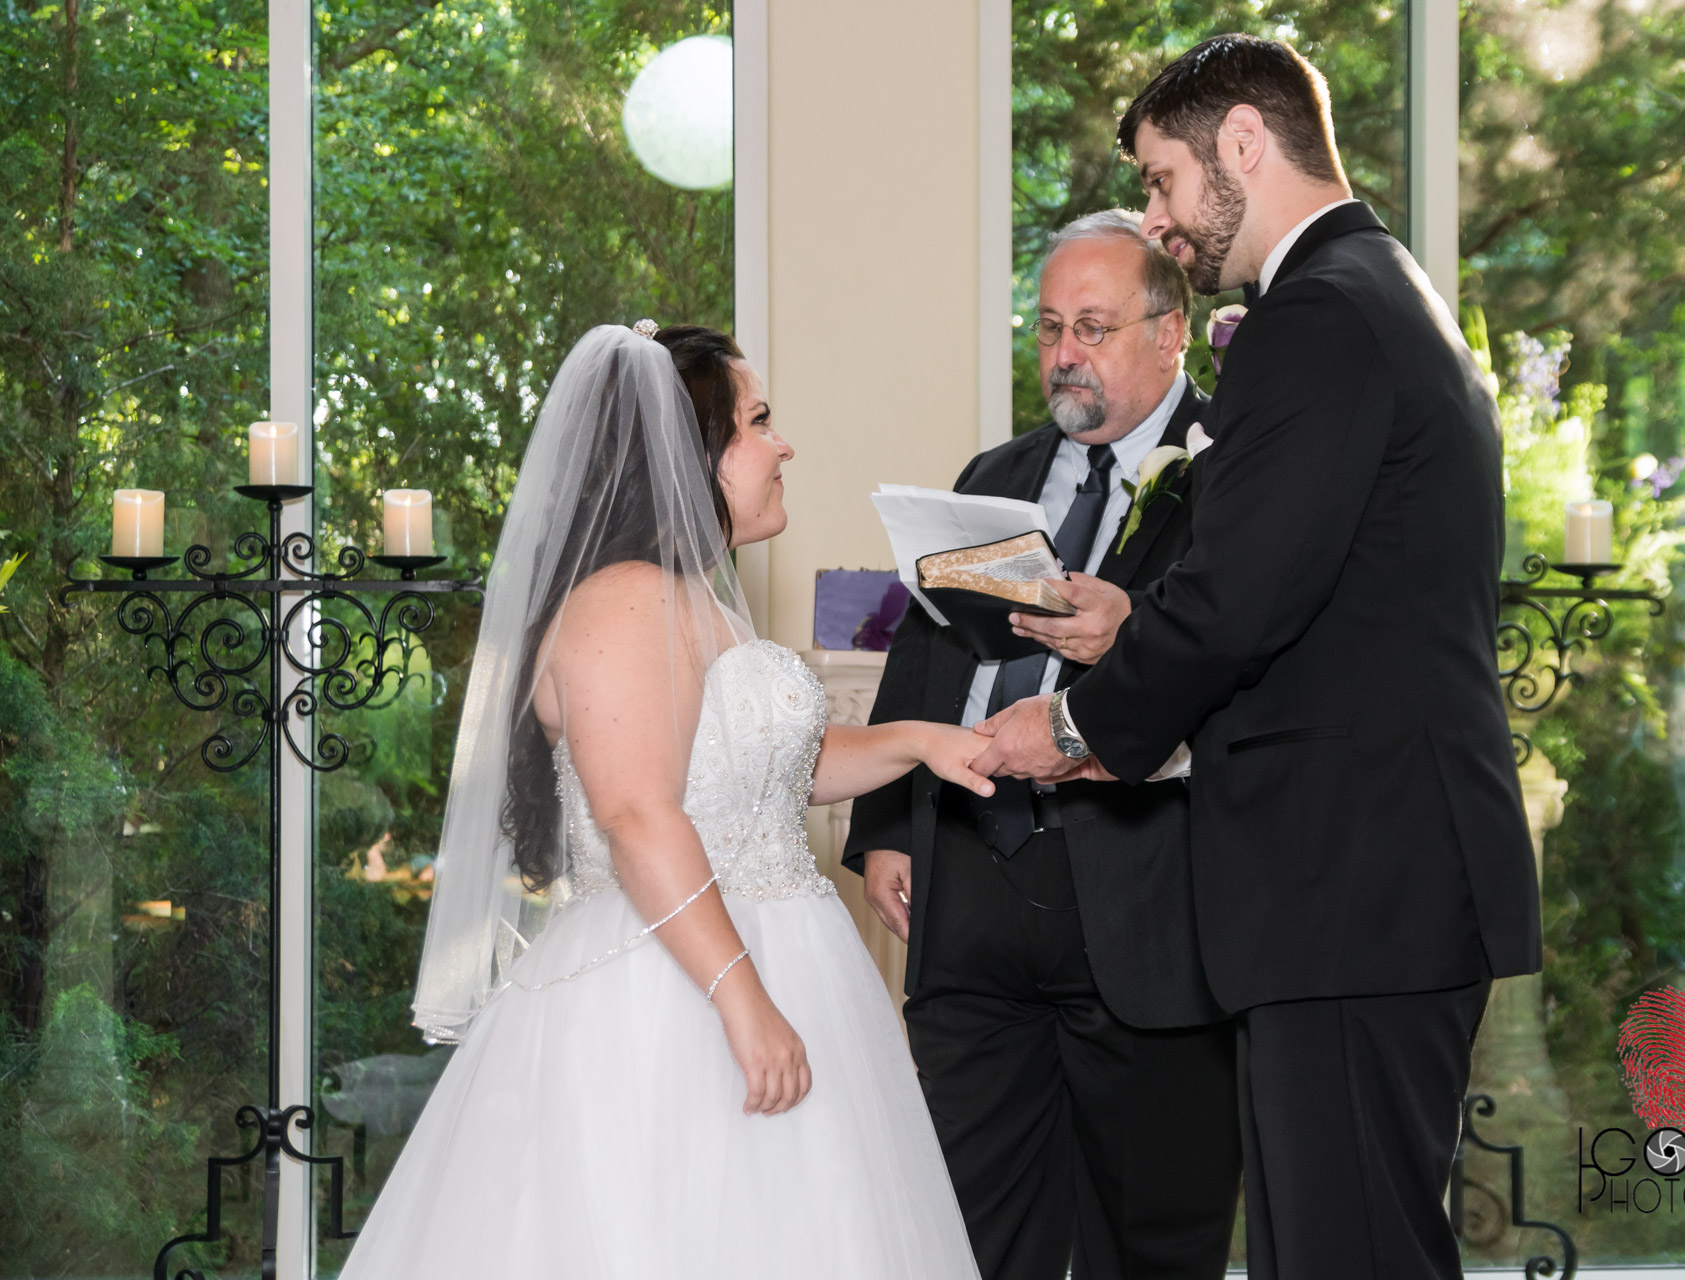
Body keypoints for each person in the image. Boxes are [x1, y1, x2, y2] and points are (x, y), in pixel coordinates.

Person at [971, 35, 1544, 1280]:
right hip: (1371, 881)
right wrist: (1145, 623)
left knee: (1348, 1254)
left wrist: (1072, 731)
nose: (1163, 221)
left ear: (1244, 140)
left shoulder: (1320, 314)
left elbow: (1237, 602)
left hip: (1352, 882)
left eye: (1167, 182)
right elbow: (1313, 582)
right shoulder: (1382, 292)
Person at [341, 323, 987, 1278]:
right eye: (760, 422)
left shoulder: (698, 599)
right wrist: (743, 999)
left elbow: (767, 772)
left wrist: (922, 742)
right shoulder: (623, 601)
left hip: (777, 952)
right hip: (669, 989)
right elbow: (640, 813)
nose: (784, 446)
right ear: (694, 454)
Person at [846, 210, 1240, 1280]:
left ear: (1170, 331)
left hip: (1144, 892)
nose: (1064, 352)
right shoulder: (996, 471)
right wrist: (888, 826)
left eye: (1094, 327)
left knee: (1148, 1231)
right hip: (969, 888)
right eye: (1050, 326)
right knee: (965, 1225)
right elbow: (926, 653)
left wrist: (1135, 630)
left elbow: (1241, 664)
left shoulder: (1235, 473)